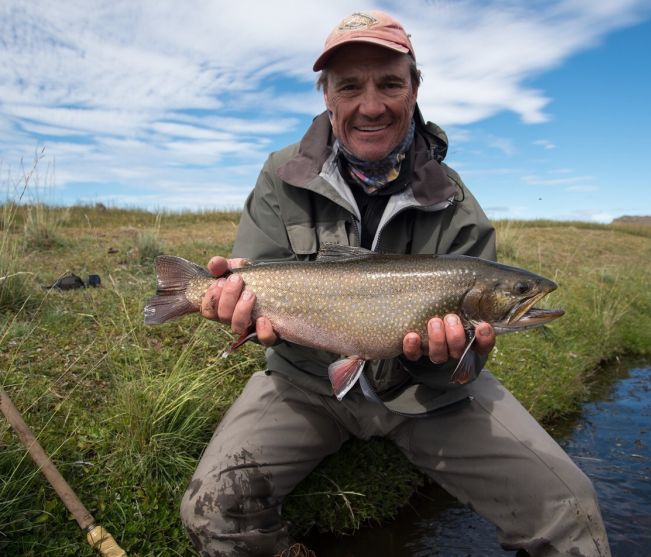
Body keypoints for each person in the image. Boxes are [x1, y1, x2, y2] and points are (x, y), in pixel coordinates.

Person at [180, 10, 611, 557]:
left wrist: (446, 359)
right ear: (327, 97)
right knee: (210, 508)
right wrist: (225, 300)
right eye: (350, 86)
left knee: (570, 511)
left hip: (426, 396)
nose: (371, 104)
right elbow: (255, 276)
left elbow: (466, 367)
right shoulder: (280, 175)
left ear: (414, 89)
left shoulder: (455, 202)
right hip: (306, 382)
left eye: (389, 83)